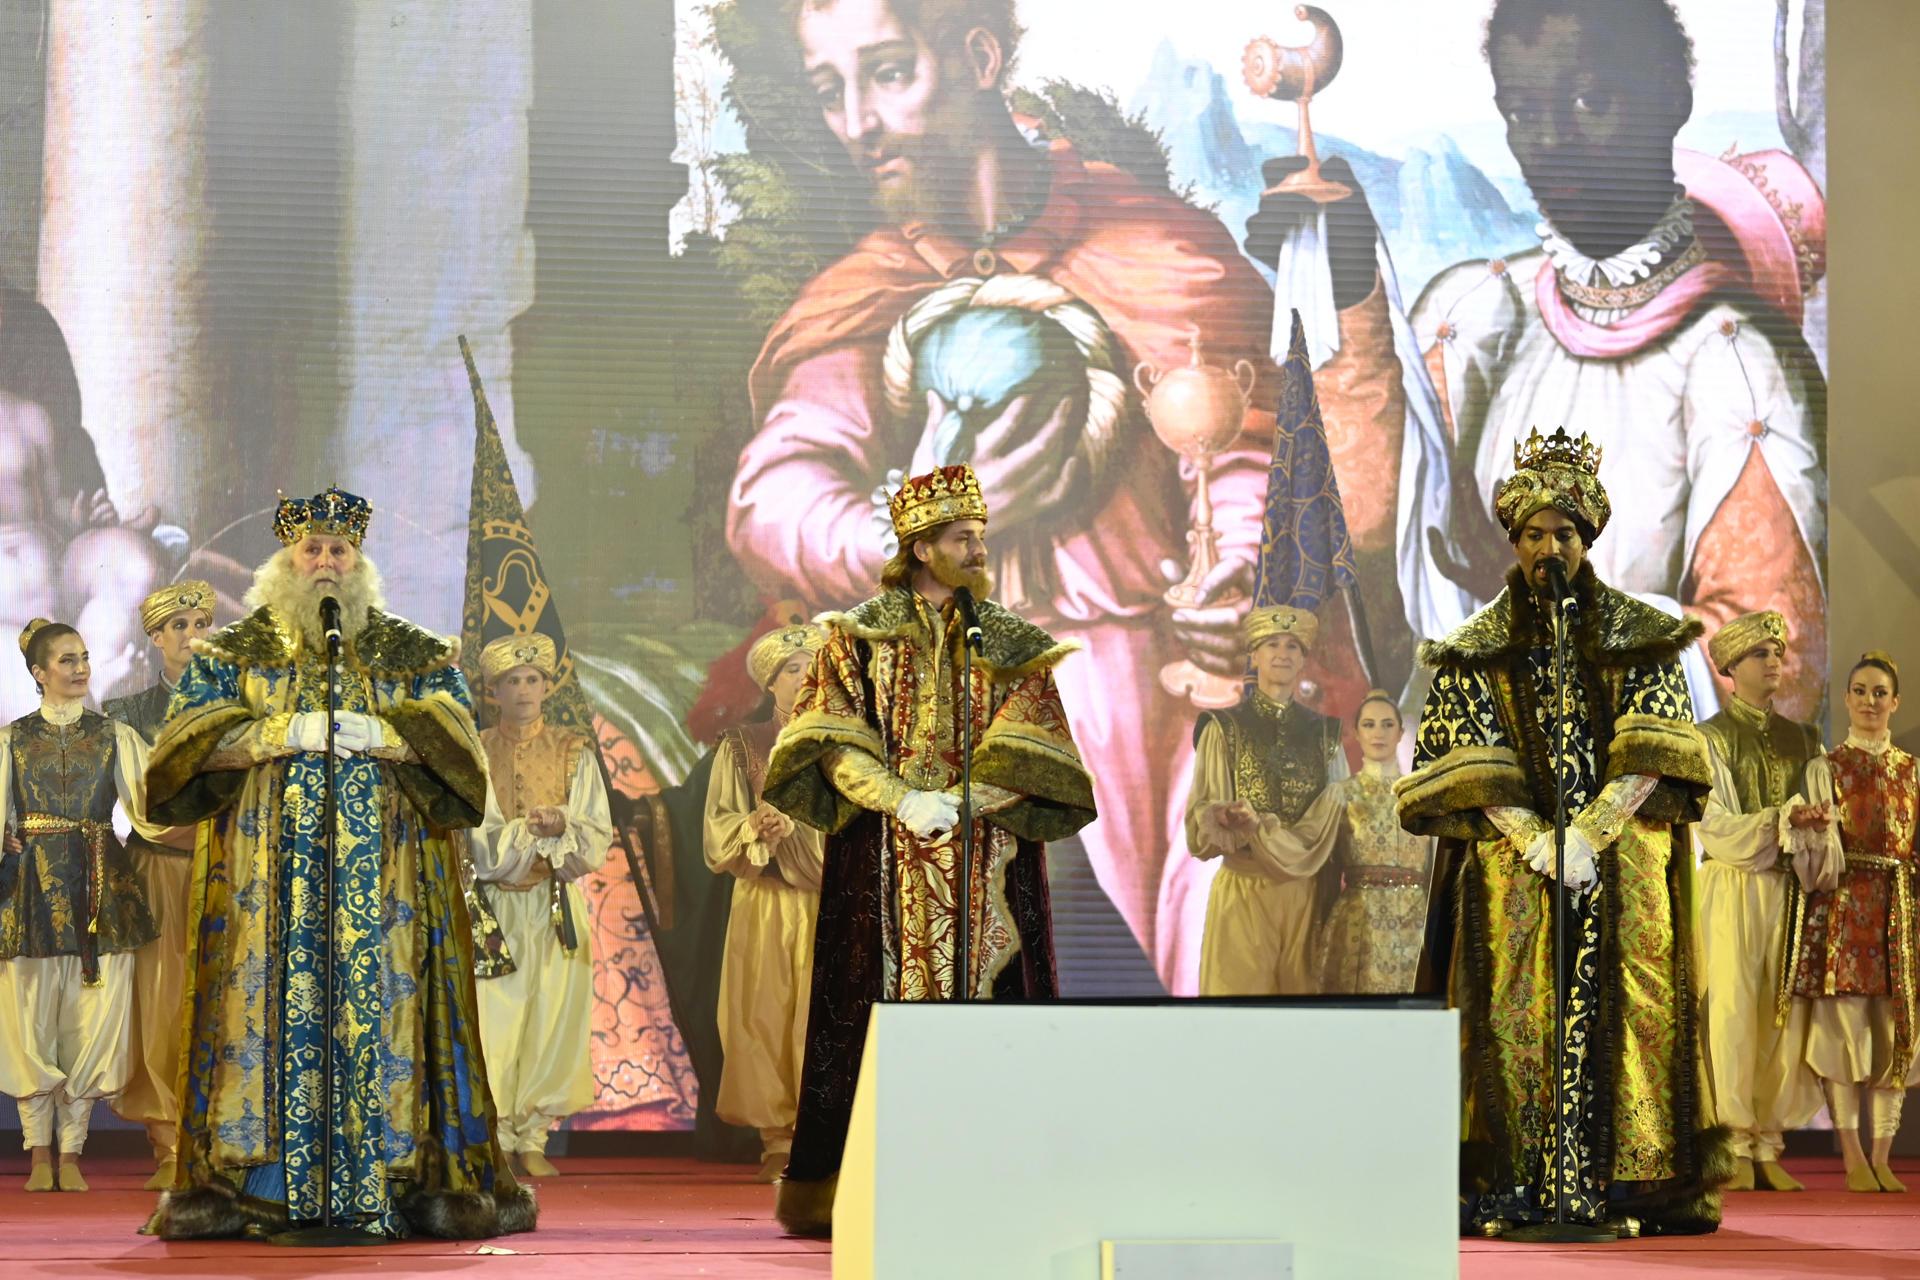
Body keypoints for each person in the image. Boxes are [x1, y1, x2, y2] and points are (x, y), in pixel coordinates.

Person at [725, 0, 1282, 992]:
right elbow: (777, 486)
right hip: (964, 697)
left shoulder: (1152, 246)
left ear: (978, 56)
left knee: (1173, 974)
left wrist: (1236, 566)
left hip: (1150, 687)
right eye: (830, 89)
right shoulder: (875, 285)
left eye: (889, 72)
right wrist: (913, 534)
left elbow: (1242, 441)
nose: (859, 118)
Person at [1252, 0, 1828, 720]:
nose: (1548, 140)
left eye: (1590, 101)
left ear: (1670, 101)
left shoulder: (1736, 361)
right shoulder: (1478, 314)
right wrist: (1349, 297)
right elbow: (1385, 563)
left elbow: (1773, 667)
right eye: (1521, 110)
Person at [143, 488, 534, 1239]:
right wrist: (274, 733)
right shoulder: (231, 655)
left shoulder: (412, 652)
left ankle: (389, 1180)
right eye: (312, 548)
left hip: (387, 889)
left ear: (359, 560)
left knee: (378, 1010)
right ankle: (265, 1184)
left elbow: (463, 759)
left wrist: (391, 736)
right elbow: (177, 757)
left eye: (339, 549)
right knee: (268, 1018)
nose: (325, 561)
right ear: (287, 558)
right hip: (267, 888)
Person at [1397, 428, 1727, 1236]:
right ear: (1515, 540)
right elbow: (1466, 753)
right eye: (1537, 533)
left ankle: (1625, 1181)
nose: (1552, 547)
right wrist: (1534, 837)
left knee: (1628, 1001)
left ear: (1587, 540)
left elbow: (1657, 740)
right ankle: (1514, 1177)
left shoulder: (1639, 631)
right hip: (1517, 866)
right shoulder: (1476, 645)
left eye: (1566, 534)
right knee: (1513, 1007)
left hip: (1617, 864)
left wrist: (1595, 830)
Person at [760, 463, 1095, 1234]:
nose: (978, 550)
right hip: (884, 853)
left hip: (987, 856)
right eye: (960, 538)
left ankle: (1000, 1176)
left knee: (1002, 1003)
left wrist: (970, 802)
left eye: (980, 537)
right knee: (863, 1004)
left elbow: (1034, 744)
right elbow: (831, 737)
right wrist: (902, 798)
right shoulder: (856, 636)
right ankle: (858, 1182)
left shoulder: (1011, 643)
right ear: (918, 547)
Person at [0, 619, 164, 1191]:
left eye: (85, 657)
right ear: (40, 673)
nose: (81, 668)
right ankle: (37, 1151)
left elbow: (153, 805)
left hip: (102, 887)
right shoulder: (12, 740)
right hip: (31, 892)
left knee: (91, 1020)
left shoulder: (113, 735)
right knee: (30, 1018)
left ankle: (72, 1152)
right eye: (67, 660)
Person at [1694, 611, 1828, 1192]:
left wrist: (1813, 834)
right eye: (1760, 654)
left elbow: (1821, 833)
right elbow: (1715, 826)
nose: (1774, 661)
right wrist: (1781, 821)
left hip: (1786, 890)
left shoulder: (1805, 739)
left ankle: (1767, 1144)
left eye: (1778, 651)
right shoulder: (1710, 737)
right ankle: (1731, 1143)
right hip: (1731, 891)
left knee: (1781, 1018)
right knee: (1731, 1015)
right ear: (1730, 669)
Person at [469, 634, 612, 1179]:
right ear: (494, 691)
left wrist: (563, 829)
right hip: (493, 909)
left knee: (551, 1016)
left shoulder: (573, 749)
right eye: (512, 681)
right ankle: (495, 1134)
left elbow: (595, 832)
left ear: (547, 687)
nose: (524, 690)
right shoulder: (477, 749)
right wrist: (526, 838)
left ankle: (533, 1136)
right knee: (495, 1020)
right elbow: (472, 833)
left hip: (554, 907)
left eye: (533, 680)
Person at [703, 623, 828, 1183]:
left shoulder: (850, 744)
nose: (804, 678)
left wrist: (805, 833)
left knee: (820, 1013)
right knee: (763, 1014)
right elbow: (718, 829)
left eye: (812, 666)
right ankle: (776, 1139)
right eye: (792, 669)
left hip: (828, 900)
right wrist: (757, 826)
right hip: (764, 897)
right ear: (771, 682)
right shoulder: (743, 745)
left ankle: (826, 1131)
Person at [103, 580, 217, 1190]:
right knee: (162, 1000)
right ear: (155, 638)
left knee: (224, 998)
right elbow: (135, 808)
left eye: (202, 623)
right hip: (157, 870)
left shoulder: (237, 708)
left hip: (229, 870)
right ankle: (167, 1142)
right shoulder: (127, 715)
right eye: (180, 625)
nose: (193, 635)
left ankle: (223, 1139)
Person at [1790, 652, 1915, 1194]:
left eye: (1879, 692)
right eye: (1860, 691)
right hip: (1843, 907)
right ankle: (1852, 1156)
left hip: (1899, 911)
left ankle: (1883, 1154)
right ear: (1845, 699)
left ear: (1896, 702)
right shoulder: (1827, 768)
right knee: (1845, 1033)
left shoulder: (1912, 770)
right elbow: (1813, 851)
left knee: (1895, 1033)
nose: (1869, 701)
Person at [1184, 605, 1344, 996]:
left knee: (1304, 1021)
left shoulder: (1326, 734)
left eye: (1293, 646)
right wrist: (1221, 816)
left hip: (1306, 893)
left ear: (1304, 659)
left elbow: (1340, 813)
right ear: (1253, 655)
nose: (1283, 654)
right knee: (1237, 1017)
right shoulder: (1223, 728)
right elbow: (1200, 824)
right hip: (1245, 888)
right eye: (1272, 644)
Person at [1319, 692, 1434, 995]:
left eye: (1386, 724)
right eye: (1369, 725)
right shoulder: (1340, 794)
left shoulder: (1421, 797)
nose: (1378, 732)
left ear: (1400, 732)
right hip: (1359, 921)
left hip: (1416, 923)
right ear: (1356, 733)